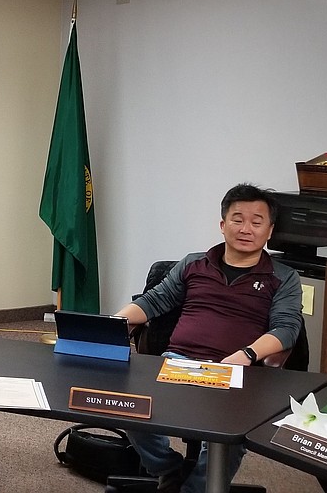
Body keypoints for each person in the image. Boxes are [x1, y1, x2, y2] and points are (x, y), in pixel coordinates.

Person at [114, 183, 304, 493]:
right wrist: (115, 322)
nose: (246, 228)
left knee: (229, 433)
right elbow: (153, 301)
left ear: (269, 231)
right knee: (128, 403)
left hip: (238, 373)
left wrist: (247, 355)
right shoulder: (193, 264)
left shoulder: (283, 277)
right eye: (237, 219)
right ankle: (169, 468)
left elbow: (286, 329)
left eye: (257, 222)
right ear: (222, 224)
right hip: (179, 364)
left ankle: (196, 488)